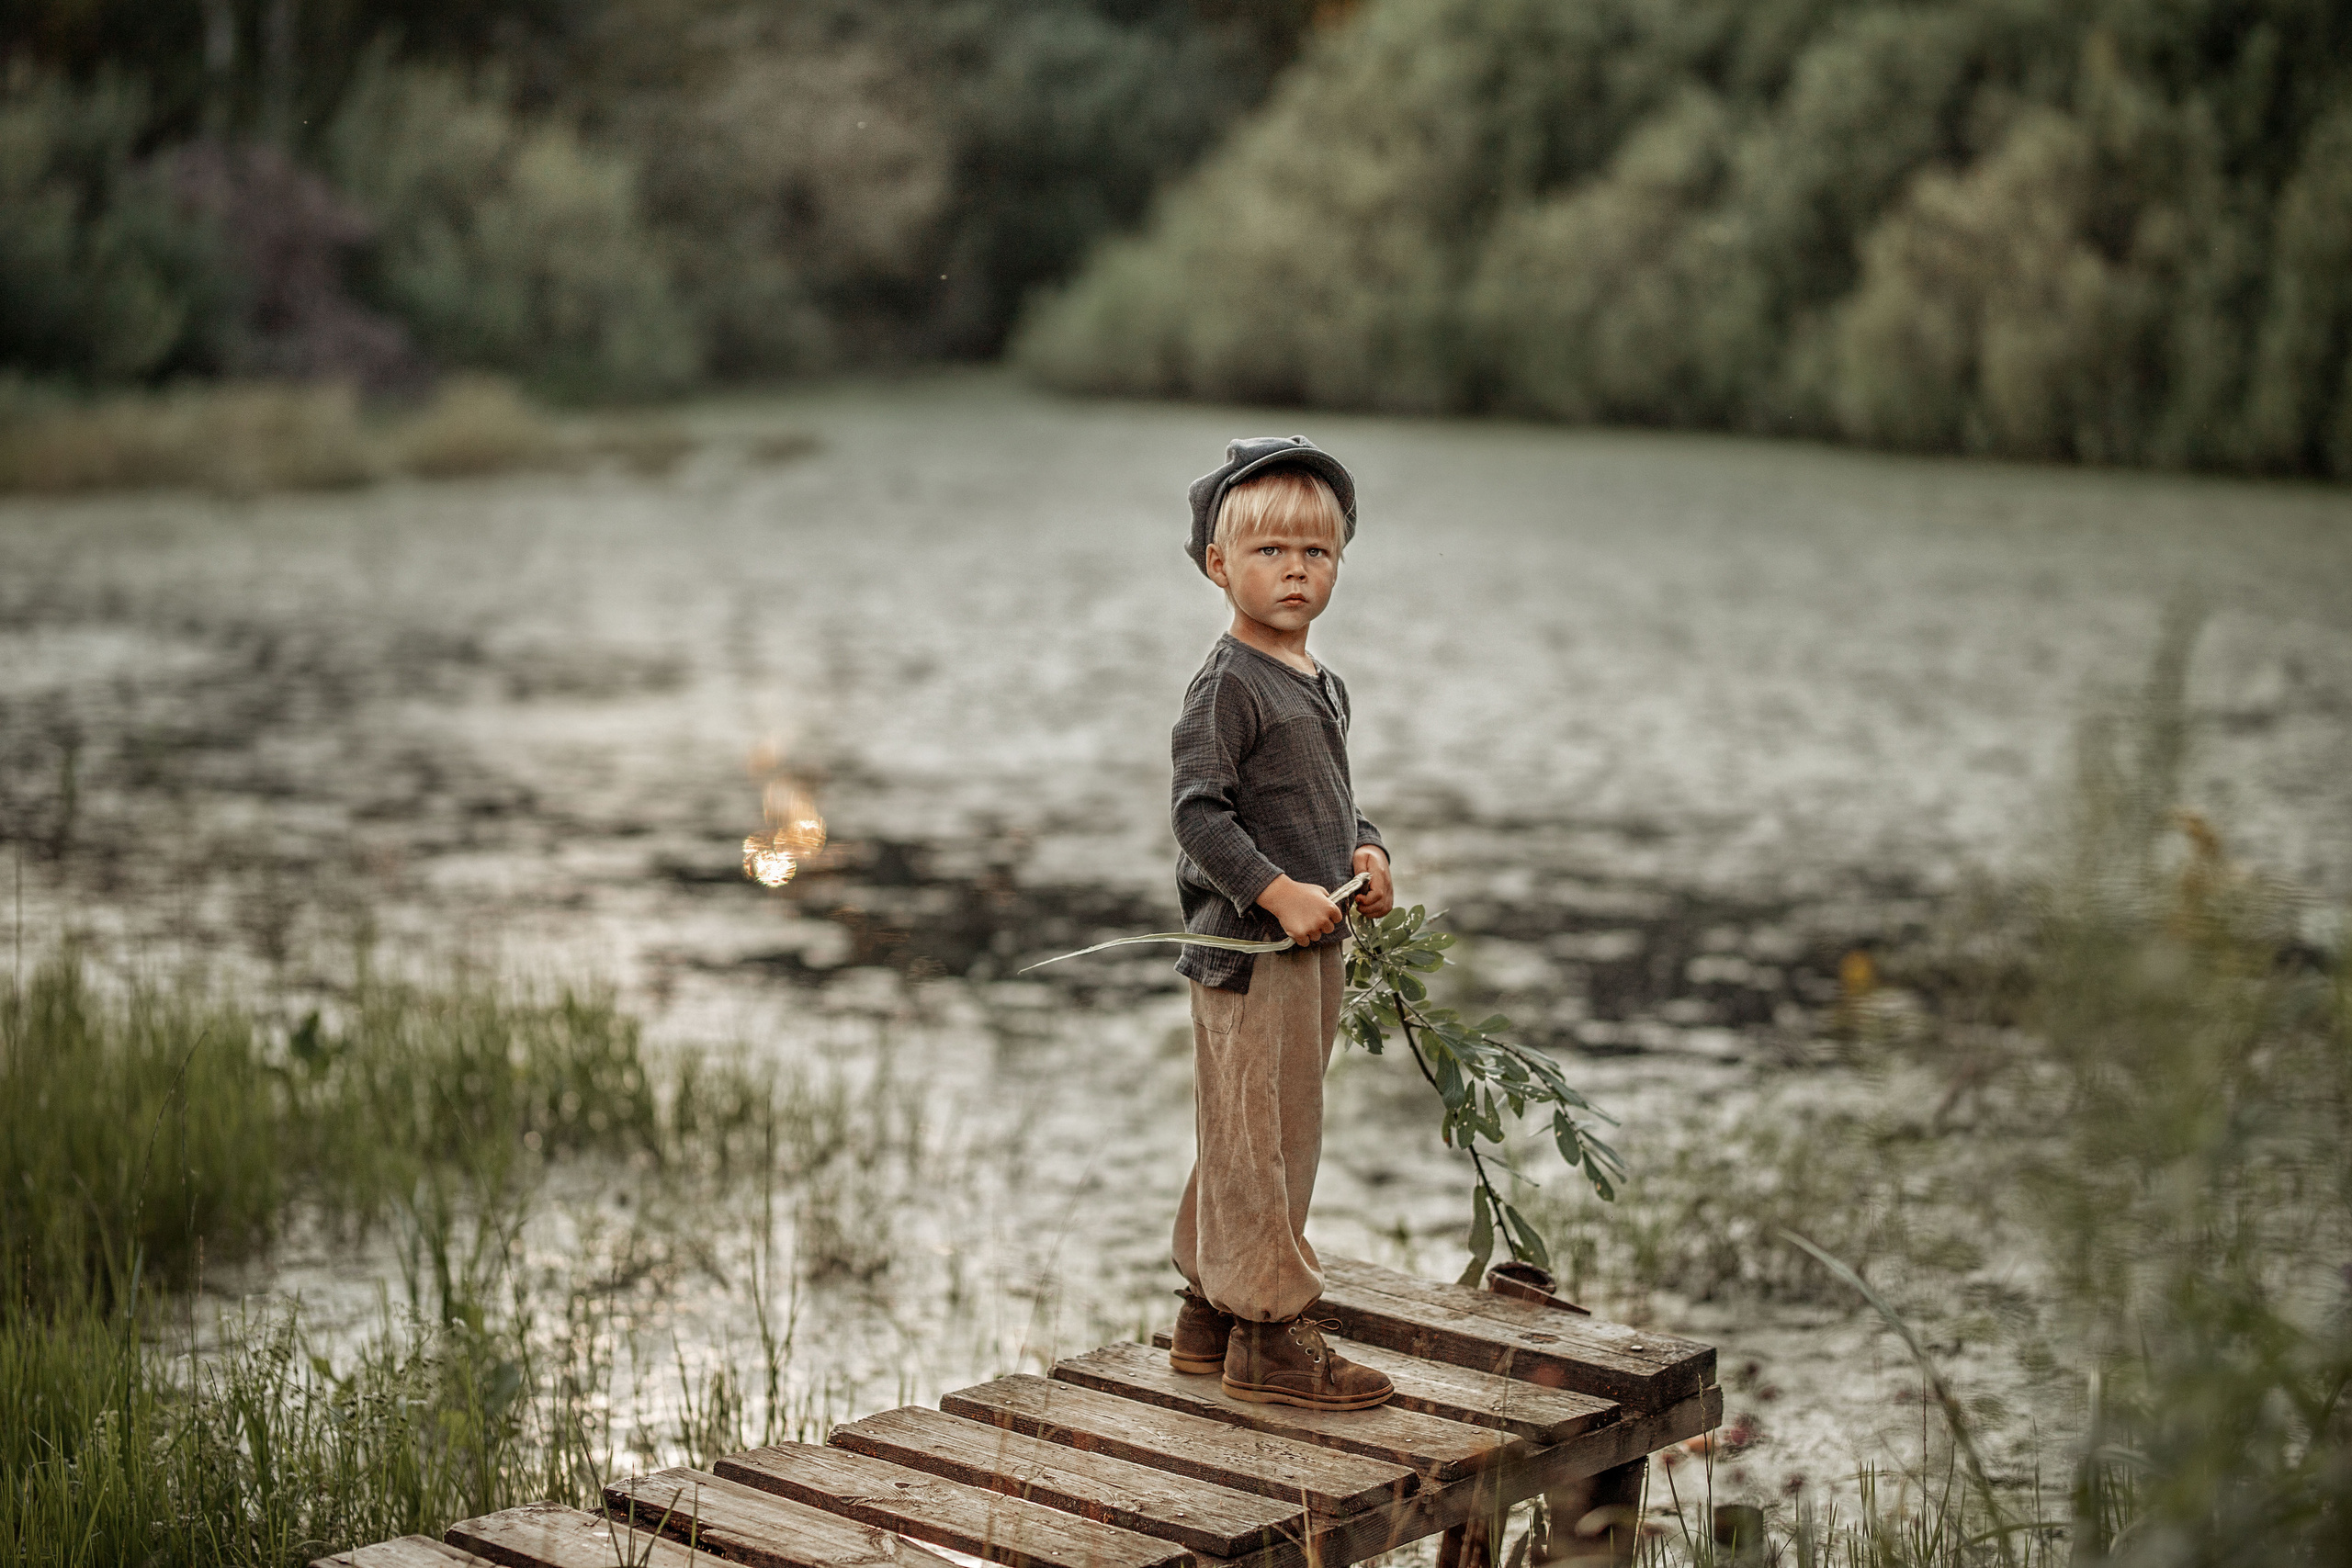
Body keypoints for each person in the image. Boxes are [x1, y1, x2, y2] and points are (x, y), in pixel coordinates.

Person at [1164, 435, 1397, 1412]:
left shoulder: (1317, 680)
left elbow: (1331, 800)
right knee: (1267, 1133)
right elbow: (1199, 814)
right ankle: (1267, 1331)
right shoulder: (1227, 684)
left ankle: (1208, 1312)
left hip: (1311, 942)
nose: (1296, 569)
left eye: (1317, 551)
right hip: (1253, 951)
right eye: (1270, 551)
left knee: (1252, 1126)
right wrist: (1272, 891)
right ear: (1219, 566)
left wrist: (1367, 853)